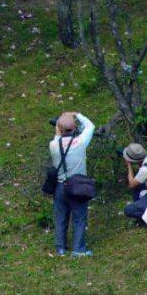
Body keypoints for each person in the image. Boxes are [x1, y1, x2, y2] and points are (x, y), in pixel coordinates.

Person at [48, 110, 96, 257]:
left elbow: (58, 137)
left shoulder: (53, 145)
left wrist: (60, 123)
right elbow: (90, 126)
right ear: (74, 128)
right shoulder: (81, 142)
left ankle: (61, 248)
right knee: (79, 218)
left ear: (59, 129)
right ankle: (78, 249)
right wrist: (77, 114)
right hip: (78, 186)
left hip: (60, 186)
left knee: (61, 217)